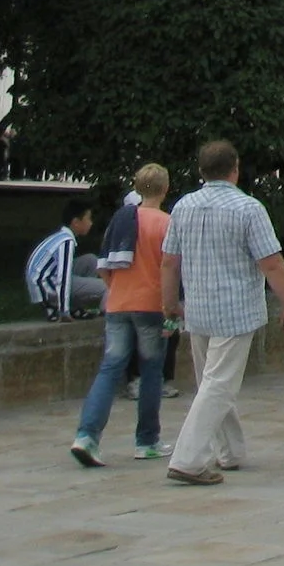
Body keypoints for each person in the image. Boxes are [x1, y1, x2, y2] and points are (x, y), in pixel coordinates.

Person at [162, 139, 284, 485]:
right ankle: (189, 459)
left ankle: (231, 452)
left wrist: (169, 303)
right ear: (235, 169)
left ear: (201, 171)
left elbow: (169, 261)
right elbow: (270, 262)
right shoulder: (248, 208)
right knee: (219, 385)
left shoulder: (183, 207)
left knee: (210, 382)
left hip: (198, 307)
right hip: (235, 310)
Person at [69, 164, 171, 465]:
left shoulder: (121, 220)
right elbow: (172, 268)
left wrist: (117, 289)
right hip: (152, 305)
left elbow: (103, 265)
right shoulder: (167, 223)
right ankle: (147, 440)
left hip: (118, 303)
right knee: (152, 371)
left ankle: (87, 436)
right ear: (165, 189)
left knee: (110, 368)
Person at [26, 198, 104, 318]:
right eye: (88, 219)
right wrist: (64, 311)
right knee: (107, 287)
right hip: (47, 287)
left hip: (46, 280)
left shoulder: (61, 236)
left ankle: (76, 308)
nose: (91, 223)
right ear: (76, 222)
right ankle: (108, 318)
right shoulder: (66, 241)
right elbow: (63, 277)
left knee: (91, 260)